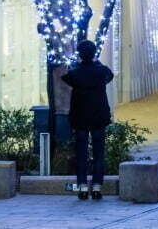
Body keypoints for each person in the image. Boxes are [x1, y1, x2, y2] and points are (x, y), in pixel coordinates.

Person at [61, 39, 113, 200]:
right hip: (99, 117)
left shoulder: (75, 73)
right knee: (98, 154)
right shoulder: (101, 71)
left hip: (80, 118)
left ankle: (82, 187)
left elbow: (65, 77)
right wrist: (96, 61)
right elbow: (109, 75)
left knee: (81, 154)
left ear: (80, 55)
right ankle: (97, 187)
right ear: (94, 54)